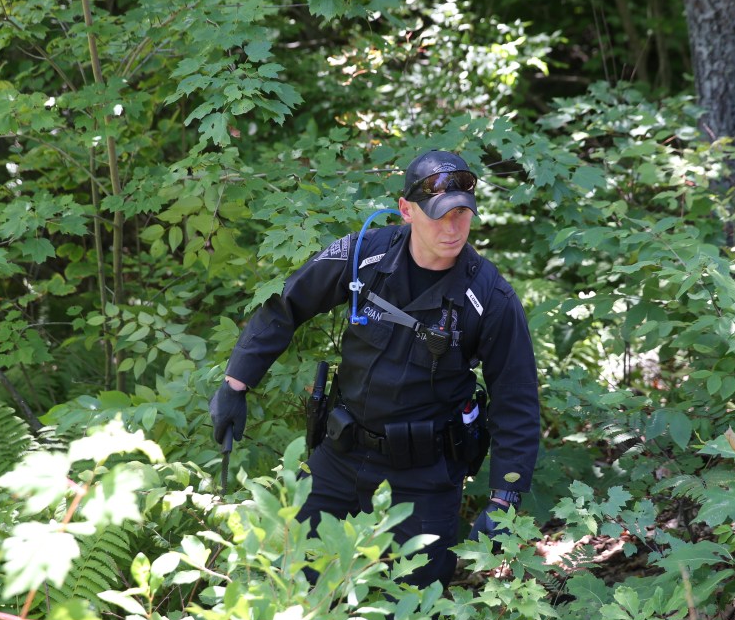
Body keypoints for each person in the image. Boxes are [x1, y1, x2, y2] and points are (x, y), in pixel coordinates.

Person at [209, 149, 541, 588]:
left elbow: (516, 401)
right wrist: (235, 385)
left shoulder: (490, 297)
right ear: (406, 210)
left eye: (462, 213)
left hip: (425, 475)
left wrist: (505, 499)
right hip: (340, 455)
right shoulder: (365, 254)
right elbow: (285, 306)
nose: (452, 227)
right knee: (293, 580)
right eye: (439, 214)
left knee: (416, 603)